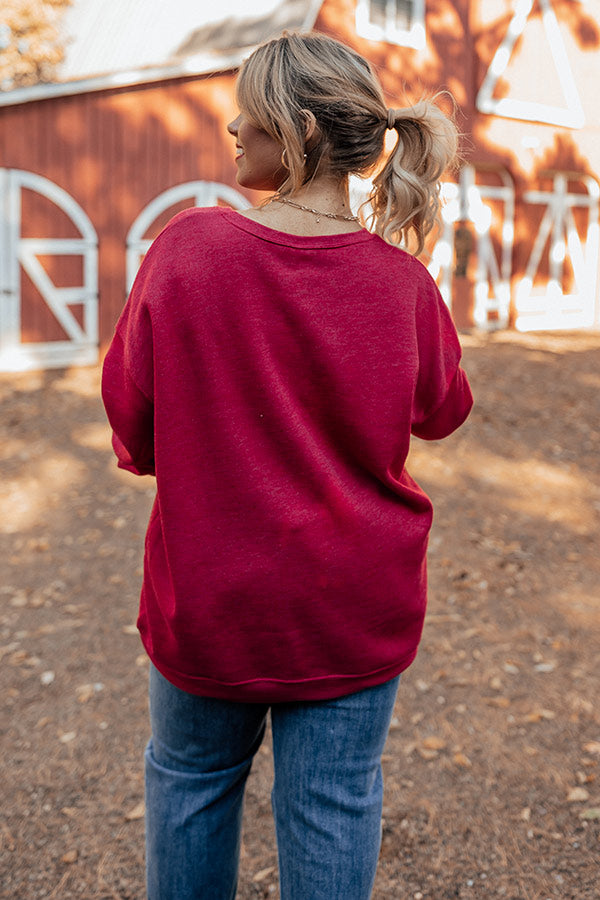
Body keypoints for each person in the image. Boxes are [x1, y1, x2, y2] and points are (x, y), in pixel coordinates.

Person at [102, 31, 473, 900]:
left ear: (300, 130)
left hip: (211, 599)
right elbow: (444, 410)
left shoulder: (188, 252)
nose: (232, 125)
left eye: (249, 112)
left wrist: (190, 454)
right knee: (335, 805)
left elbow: (131, 415)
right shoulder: (401, 284)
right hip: (353, 608)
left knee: (191, 786)